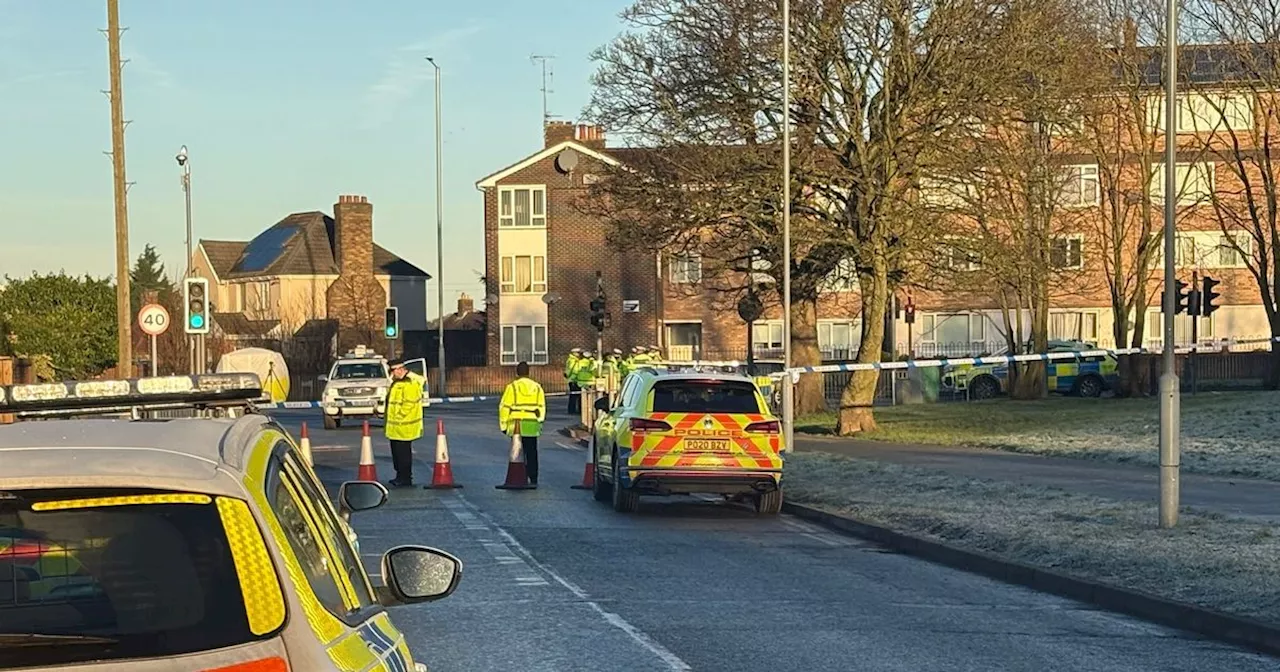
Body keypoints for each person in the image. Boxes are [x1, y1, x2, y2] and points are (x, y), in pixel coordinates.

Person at [499, 361, 546, 486]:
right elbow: (541, 406)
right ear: (528, 372)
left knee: (517, 452)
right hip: (532, 424)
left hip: (516, 425)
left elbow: (504, 407)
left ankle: (519, 476)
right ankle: (533, 477)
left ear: (517, 372)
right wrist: (540, 422)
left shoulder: (512, 387)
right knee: (532, 451)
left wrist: (503, 425)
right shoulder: (537, 387)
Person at [383, 358, 426, 487]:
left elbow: (409, 403)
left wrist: (399, 415)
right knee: (397, 454)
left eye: (393, 371)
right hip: (396, 426)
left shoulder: (410, 382)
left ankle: (405, 478)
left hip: (404, 425)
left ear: (399, 369)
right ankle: (399, 476)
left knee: (403, 454)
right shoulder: (397, 382)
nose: (391, 374)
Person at [564, 348, 583, 414]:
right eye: (578, 353)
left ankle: (572, 410)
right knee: (575, 396)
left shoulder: (572, 360)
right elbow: (571, 370)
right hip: (574, 380)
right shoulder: (573, 361)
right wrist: (571, 377)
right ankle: (573, 410)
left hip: (573, 380)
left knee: (574, 396)